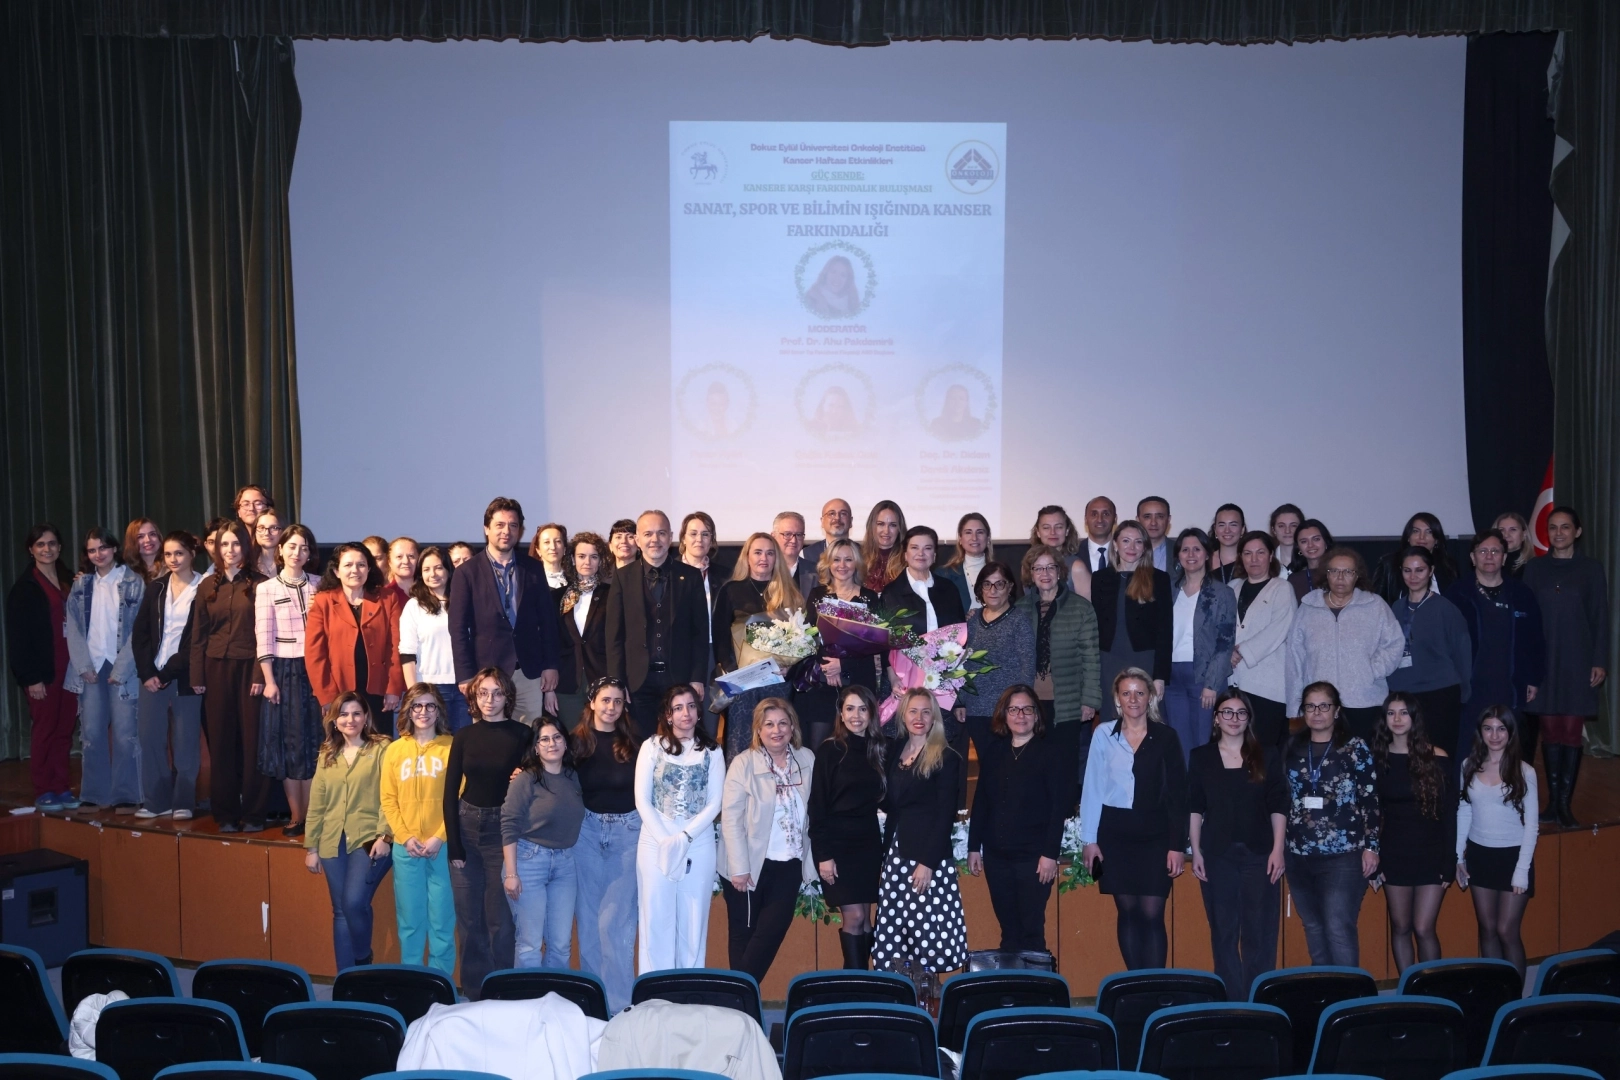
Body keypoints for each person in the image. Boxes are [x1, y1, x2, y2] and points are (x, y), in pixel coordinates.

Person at [1080, 669, 1188, 970]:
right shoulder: (1103, 734)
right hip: (1115, 836)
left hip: (1156, 836)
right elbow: (1092, 788)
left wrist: (1177, 846)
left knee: (1152, 914)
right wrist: (1089, 840)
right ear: (1117, 699)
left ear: (1150, 697)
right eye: (1126, 693)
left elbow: (1179, 796)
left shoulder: (1166, 736)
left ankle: (1154, 985)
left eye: (1140, 692)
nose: (1133, 699)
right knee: (1127, 913)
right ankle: (1135, 985)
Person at [1188, 689, 1286, 1000]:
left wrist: (1278, 850)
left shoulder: (1267, 754)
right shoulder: (1200, 757)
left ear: (1248, 719)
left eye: (1241, 713)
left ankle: (1259, 1000)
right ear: (1216, 718)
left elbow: (1278, 805)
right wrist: (1196, 850)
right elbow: (1194, 807)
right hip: (1217, 855)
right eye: (1227, 712)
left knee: (1260, 931)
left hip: (1260, 853)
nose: (1234, 718)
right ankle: (1232, 1001)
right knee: (1224, 931)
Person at [871, 689, 967, 990]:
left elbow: (945, 815)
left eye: (926, 711)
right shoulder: (895, 750)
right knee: (899, 927)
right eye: (913, 711)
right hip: (896, 852)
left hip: (927, 856)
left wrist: (927, 863)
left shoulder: (946, 756)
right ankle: (903, 994)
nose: (919, 717)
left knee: (926, 929)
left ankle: (929, 996)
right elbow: (890, 802)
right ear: (903, 716)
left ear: (934, 717)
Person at [444, 667, 530, 998]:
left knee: (501, 921)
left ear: (507, 696)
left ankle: (502, 992)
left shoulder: (522, 734)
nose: (489, 700)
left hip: (502, 832)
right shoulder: (464, 736)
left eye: (496, 693)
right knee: (469, 920)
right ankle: (474, 994)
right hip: (466, 828)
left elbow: (537, 783)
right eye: (483, 693)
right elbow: (450, 792)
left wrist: (526, 774)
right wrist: (454, 846)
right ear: (474, 698)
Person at [1520, 506, 1609, 827]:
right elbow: (1526, 620)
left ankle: (1564, 806)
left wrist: (1600, 660)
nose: (1559, 533)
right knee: (1550, 731)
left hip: (1578, 661)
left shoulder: (1591, 569)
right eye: (1553, 527)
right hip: (1544, 661)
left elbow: (1600, 617)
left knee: (1571, 731)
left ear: (1577, 532)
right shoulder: (1535, 569)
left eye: (1565, 527)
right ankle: (1551, 804)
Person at [966, 685, 1068, 956]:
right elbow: (981, 801)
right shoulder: (994, 752)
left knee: (1032, 933)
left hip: (1033, 859)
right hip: (997, 858)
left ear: (1037, 715)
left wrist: (1050, 854)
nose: (1020, 715)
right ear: (1004, 714)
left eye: (1027, 709)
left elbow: (1057, 808)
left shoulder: (1050, 753)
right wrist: (974, 846)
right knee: (1009, 932)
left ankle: (1036, 983)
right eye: (1013, 709)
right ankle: (1012, 983)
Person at [720, 697, 818, 981]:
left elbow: (816, 812)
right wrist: (739, 867)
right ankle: (743, 998)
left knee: (770, 934)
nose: (777, 730)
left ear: (792, 727)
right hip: (749, 865)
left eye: (783, 723)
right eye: (769, 724)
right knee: (743, 933)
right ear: (758, 730)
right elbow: (731, 818)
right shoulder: (743, 763)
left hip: (789, 864)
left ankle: (738, 995)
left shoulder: (807, 759)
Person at [1283, 681, 1379, 967]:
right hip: (1298, 853)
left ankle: (1348, 991)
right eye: (1310, 706)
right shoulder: (1292, 746)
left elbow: (1370, 798)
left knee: (1338, 927)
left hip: (1344, 854)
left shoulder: (1355, 747)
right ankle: (1324, 987)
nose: (1317, 712)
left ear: (1336, 710)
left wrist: (1372, 846)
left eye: (1324, 706)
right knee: (1313, 926)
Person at [635, 684, 725, 972]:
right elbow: (642, 799)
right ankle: (654, 987)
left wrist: (685, 837)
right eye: (678, 708)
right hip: (655, 838)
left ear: (698, 712)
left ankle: (689, 985)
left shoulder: (713, 751)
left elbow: (715, 802)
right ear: (668, 715)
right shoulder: (651, 747)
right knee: (655, 917)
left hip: (697, 840)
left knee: (694, 919)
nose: (685, 713)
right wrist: (667, 840)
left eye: (691, 706)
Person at [449, 498, 560, 727]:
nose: (506, 531)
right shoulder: (467, 573)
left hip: (528, 673)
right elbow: (458, 629)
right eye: (499, 525)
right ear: (486, 528)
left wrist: (550, 665)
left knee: (528, 737)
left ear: (520, 530)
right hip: (486, 674)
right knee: (488, 738)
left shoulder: (533, 568)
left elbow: (548, 621)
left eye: (513, 525)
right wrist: (466, 675)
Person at [303, 692, 393, 971]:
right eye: (343, 714)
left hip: (369, 837)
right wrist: (312, 847)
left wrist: (385, 835)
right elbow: (317, 804)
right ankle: (346, 979)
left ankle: (363, 959)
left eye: (356, 713)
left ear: (366, 717)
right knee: (340, 911)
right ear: (334, 720)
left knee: (353, 903)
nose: (350, 719)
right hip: (332, 839)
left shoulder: (382, 748)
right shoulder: (327, 754)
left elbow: (391, 795)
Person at [190, 520, 268, 831]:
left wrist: (261, 673)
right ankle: (225, 813)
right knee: (221, 742)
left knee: (252, 743)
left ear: (245, 547)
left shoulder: (262, 584)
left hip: (250, 668)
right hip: (215, 668)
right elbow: (198, 634)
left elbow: (266, 634)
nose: (230, 550)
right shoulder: (206, 586)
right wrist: (197, 675)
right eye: (224, 544)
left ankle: (253, 814)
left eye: (236, 544)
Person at [64, 526, 146, 813]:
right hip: (91, 668)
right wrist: (83, 666)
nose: (98, 554)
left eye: (103, 548)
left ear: (114, 549)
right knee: (92, 734)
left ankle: (127, 795)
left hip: (123, 668)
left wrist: (121, 668)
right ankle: (95, 793)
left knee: (125, 734)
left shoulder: (133, 581)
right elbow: (73, 629)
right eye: (92, 550)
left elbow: (139, 630)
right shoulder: (81, 586)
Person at [1285, 547, 1405, 743]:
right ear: (1326, 574)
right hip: (1320, 706)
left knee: (1365, 756)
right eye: (1334, 571)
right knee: (1324, 757)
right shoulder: (1308, 608)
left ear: (1357, 575)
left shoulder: (1375, 605)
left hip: (1365, 701)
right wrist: (1294, 705)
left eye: (1348, 571)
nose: (1340, 577)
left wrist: (1370, 671)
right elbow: (1295, 657)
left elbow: (1395, 644)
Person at [571, 676, 641, 1013]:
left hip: (627, 833)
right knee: (588, 921)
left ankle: (619, 1006)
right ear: (592, 703)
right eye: (605, 700)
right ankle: (593, 1002)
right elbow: (550, 773)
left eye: (617, 701)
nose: (611, 707)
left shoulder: (635, 742)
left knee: (615, 922)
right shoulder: (575, 743)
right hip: (586, 832)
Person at [605, 510, 710, 734]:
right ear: (637, 539)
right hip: (636, 682)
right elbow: (614, 636)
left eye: (661, 533)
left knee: (681, 742)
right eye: (648, 534)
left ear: (670, 537)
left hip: (679, 679)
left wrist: (697, 678)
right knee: (640, 744)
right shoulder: (623, 577)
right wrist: (617, 682)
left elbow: (700, 633)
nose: (655, 539)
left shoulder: (691, 577)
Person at [1373, 693, 1454, 975]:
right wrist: (1374, 857)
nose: (1397, 719)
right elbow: (1371, 813)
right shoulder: (1377, 759)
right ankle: (1407, 990)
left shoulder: (1438, 757)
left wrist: (1450, 860)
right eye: (1391, 713)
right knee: (1401, 927)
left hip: (1432, 853)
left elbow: (1450, 814)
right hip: (1394, 854)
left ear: (1414, 718)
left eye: (1403, 712)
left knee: (1423, 927)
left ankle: (1432, 989)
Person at [1456, 705, 1539, 978]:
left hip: (1513, 856)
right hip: (1480, 856)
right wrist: (1458, 857)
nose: (1494, 735)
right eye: (1488, 728)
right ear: (1480, 732)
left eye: (1501, 729)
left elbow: (1532, 826)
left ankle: (1515, 995)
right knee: (1488, 929)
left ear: (1510, 733)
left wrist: (1522, 870)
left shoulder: (1525, 771)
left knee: (1506, 930)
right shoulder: (1468, 765)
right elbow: (1464, 810)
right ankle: (1495, 991)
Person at [381, 683, 456, 977]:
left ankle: (441, 983)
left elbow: (459, 796)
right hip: (406, 847)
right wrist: (404, 837)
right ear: (408, 711)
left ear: (438, 711)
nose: (423, 712)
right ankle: (412, 982)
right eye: (417, 706)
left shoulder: (452, 747)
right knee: (410, 921)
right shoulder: (394, 750)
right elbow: (388, 799)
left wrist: (440, 836)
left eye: (430, 705)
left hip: (442, 846)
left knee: (442, 920)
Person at [809, 684, 886, 969]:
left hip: (868, 843)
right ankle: (856, 986)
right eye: (850, 709)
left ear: (872, 713)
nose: (856, 716)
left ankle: (862, 982)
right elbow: (817, 807)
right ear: (840, 714)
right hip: (837, 846)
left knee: (866, 919)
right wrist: (823, 856)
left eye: (862, 709)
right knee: (854, 917)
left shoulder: (880, 749)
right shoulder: (829, 750)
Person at [255, 524, 323, 837]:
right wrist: (269, 680)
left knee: (314, 742)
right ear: (281, 549)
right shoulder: (266, 588)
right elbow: (263, 637)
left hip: (317, 670)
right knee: (290, 745)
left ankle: (314, 816)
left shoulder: (321, 585)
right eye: (292, 546)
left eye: (304, 548)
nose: (297, 553)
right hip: (284, 671)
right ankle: (297, 816)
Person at [502, 714, 585, 969]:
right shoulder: (525, 779)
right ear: (536, 747)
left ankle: (554, 993)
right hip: (528, 862)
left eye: (557, 737)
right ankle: (528, 994)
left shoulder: (573, 777)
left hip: (565, 864)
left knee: (561, 945)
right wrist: (511, 873)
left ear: (566, 742)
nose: (552, 744)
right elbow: (509, 824)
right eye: (544, 739)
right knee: (530, 944)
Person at [1014, 544, 1100, 789]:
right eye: (1038, 568)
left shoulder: (1080, 608)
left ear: (1060, 571)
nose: (1045, 573)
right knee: (1032, 767)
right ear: (1030, 574)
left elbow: (1091, 657)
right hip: (1030, 703)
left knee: (1064, 767)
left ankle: (1064, 812)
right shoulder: (1020, 608)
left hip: (1068, 703)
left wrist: (1089, 701)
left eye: (1050, 567)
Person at [130, 531, 203, 819]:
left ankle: (183, 801)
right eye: (169, 554)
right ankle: (156, 802)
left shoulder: (204, 588)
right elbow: (141, 634)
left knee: (186, 742)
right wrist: (147, 672)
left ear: (192, 554)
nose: (173, 559)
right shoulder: (156, 588)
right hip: (152, 676)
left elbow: (197, 641)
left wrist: (168, 673)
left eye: (179, 553)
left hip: (186, 676)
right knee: (150, 739)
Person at [1444, 530, 1544, 739]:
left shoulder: (1522, 594)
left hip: (1510, 684)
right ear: (1472, 557)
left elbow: (1535, 640)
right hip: (1469, 687)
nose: (1489, 556)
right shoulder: (1456, 594)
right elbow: (1444, 642)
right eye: (1482, 551)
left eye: (1495, 551)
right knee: (1469, 745)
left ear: (1504, 557)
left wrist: (1533, 678)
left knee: (1506, 746)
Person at [714, 531, 804, 759]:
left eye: (770, 553)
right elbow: (721, 639)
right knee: (741, 747)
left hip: (778, 682)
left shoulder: (790, 593)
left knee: (777, 744)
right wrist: (735, 673)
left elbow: (800, 639)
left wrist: (790, 668)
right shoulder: (730, 590)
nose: (764, 558)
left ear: (776, 558)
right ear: (747, 556)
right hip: (742, 684)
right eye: (758, 552)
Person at [7, 525, 79, 809]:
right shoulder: (25, 588)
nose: (46, 549)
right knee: (45, 730)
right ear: (31, 550)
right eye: (40, 544)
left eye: (51, 543)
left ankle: (61, 787)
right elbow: (18, 639)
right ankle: (44, 789)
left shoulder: (69, 580)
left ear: (59, 548)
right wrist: (31, 678)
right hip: (43, 673)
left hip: (71, 669)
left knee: (64, 731)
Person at [1386, 547, 1474, 764]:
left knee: (1438, 759)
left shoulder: (1446, 609)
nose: (1413, 576)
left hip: (1439, 694)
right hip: (1403, 694)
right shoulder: (1395, 608)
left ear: (1431, 571)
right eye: (1407, 570)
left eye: (1420, 570)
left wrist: (1464, 693)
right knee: (1406, 759)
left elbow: (1462, 652)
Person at [305, 543, 405, 720]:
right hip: (338, 691)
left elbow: (395, 647)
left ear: (369, 569)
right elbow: (315, 654)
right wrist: (326, 695)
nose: (355, 570)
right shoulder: (323, 601)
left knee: (378, 737)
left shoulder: (388, 598)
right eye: (348, 565)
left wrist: (393, 688)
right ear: (336, 571)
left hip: (379, 691)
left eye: (361, 565)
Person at [800, 539, 882, 750]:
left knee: (858, 747)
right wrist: (829, 667)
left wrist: (843, 665)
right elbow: (809, 638)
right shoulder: (817, 595)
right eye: (836, 560)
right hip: (823, 682)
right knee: (819, 747)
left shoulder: (869, 598)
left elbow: (874, 643)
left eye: (848, 560)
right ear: (828, 563)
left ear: (857, 564)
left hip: (859, 679)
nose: (842, 565)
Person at [1166, 528, 1236, 764]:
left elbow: (1225, 642)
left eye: (1197, 549)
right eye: (1185, 550)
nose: (1191, 554)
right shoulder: (1169, 590)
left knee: (1204, 742)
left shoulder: (1222, 593)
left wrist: (1212, 684)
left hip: (1204, 677)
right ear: (1178, 555)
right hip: (1172, 678)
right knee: (1178, 742)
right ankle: (1184, 787)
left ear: (1207, 554)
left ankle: (1204, 787)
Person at [1091, 521, 1173, 720]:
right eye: (1126, 541)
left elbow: (1165, 630)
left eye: (1138, 542)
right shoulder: (1100, 578)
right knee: (1112, 718)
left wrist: (1160, 676)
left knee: (1147, 719)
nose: (1132, 547)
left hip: (1145, 660)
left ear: (1145, 547)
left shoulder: (1159, 579)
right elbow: (1095, 627)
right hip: (1108, 660)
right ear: (1115, 544)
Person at [961, 562, 1035, 765]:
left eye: (999, 584)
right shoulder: (971, 622)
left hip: (1007, 713)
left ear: (1010, 587)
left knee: (1008, 768)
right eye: (987, 584)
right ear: (980, 589)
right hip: (976, 711)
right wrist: (960, 701)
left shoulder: (1019, 621)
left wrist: (1019, 708)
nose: (992, 590)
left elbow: (1027, 667)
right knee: (986, 767)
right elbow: (961, 665)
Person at [1229, 531, 1298, 748]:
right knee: (1236, 749)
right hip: (1234, 683)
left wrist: (1241, 651)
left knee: (1264, 750)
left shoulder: (1282, 588)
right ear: (1241, 557)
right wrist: (1226, 651)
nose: (1254, 559)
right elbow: (1219, 627)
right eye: (1247, 553)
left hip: (1268, 686)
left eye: (1260, 552)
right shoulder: (1232, 587)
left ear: (1270, 556)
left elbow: (1279, 629)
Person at [399, 546, 472, 733]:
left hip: (465, 685)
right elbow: (407, 653)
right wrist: (414, 693)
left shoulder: (465, 601)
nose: (433, 574)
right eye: (426, 569)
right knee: (435, 742)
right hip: (430, 688)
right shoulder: (414, 606)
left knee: (462, 742)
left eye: (438, 567)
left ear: (448, 569)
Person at [558, 533, 613, 726]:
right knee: (571, 737)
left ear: (601, 560)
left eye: (593, 556)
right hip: (567, 680)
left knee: (602, 735)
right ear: (573, 559)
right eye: (581, 556)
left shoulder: (612, 595)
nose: (587, 562)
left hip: (601, 676)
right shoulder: (558, 597)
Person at [880, 525, 967, 637]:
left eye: (928, 548)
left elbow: (960, 630)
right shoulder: (891, 593)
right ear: (905, 555)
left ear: (934, 555)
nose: (921, 553)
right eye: (914, 548)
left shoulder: (949, 588)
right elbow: (886, 638)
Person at [1372, 513, 1460, 603]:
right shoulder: (1388, 564)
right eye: (1416, 531)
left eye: (1429, 532)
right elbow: (1376, 603)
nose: (1422, 537)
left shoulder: (1448, 565)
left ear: (1436, 540)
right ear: (1408, 537)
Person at [679, 511, 719, 702]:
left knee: (709, 713)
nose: (699, 539)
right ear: (683, 538)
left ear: (712, 539)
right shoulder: (669, 573)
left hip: (713, 653)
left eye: (705, 534)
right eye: (693, 534)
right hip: (679, 653)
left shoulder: (725, 575)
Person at [935, 513, 991, 614]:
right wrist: (962, 619)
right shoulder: (944, 574)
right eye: (968, 532)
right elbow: (939, 613)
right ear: (960, 539)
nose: (974, 538)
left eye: (980, 532)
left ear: (988, 538)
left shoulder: (1001, 573)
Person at [861, 501, 906, 592]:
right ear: (871, 526)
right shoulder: (858, 557)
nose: (886, 531)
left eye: (893, 525)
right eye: (881, 524)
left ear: (899, 529)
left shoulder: (907, 561)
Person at [774, 511, 819, 600]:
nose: (793, 540)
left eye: (798, 535)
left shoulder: (817, 572)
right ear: (773, 536)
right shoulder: (764, 570)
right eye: (787, 534)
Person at [1290, 519, 1335, 602]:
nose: (1310, 545)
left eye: (1316, 539)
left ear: (1326, 542)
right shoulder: (1294, 580)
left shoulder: (1339, 573)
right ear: (1298, 547)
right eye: (1304, 541)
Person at [801, 497, 853, 569]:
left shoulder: (864, 554)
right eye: (831, 514)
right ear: (822, 521)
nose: (837, 518)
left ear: (851, 521)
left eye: (843, 514)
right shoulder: (805, 555)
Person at [804, 254, 861, 318]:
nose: (837, 278)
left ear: (848, 280)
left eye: (843, 275)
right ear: (825, 273)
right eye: (833, 272)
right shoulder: (811, 300)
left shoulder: (853, 304)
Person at [1030, 506, 1082, 572]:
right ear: (1038, 532)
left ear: (1067, 531)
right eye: (1046, 528)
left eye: (1058, 527)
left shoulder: (1077, 566)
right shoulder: (1029, 563)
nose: (1053, 532)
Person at [1207, 505, 1247, 584]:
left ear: (1242, 529)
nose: (1227, 530)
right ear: (1215, 529)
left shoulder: (1251, 560)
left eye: (1233, 525)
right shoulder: (1204, 561)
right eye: (1222, 525)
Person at [1079, 496, 1117, 577]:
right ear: (1086, 520)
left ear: (1115, 519)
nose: (1100, 520)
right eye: (1094, 514)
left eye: (1106, 514)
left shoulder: (1126, 552)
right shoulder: (1072, 553)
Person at [531, 523, 572, 590]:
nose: (553, 547)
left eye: (558, 541)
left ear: (564, 549)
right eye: (547, 542)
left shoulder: (575, 581)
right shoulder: (530, 581)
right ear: (538, 550)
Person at [1136, 497, 1172, 572]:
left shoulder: (1181, 550)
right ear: (1138, 520)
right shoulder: (1124, 552)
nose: (1153, 523)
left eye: (1160, 517)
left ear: (1168, 519)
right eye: (1147, 517)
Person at [1492, 512, 1534, 577]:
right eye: (1501, 530)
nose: (1506, 535)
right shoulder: (1487, 563)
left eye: (1513, 530)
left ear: (1524, 534)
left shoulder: (1534, 566)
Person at [1269, 504, 1305, 579]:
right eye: (1281, 526)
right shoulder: (1267, 561)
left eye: (1293, 525)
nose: (1287, 531)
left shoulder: (1310, 560)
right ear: (1273, 530)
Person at [386, 537, 421, 610]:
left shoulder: (431, 591)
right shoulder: (385, 596)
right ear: (389, 562)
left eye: (411, 556)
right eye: (399, 557)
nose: (406, 561)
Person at [253, 512, 284, 579]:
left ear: (283, 531)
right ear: (255, 532)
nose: (266, 533)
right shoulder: (247, 563)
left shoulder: (291, 563)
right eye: (261, 527)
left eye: (274, 528)